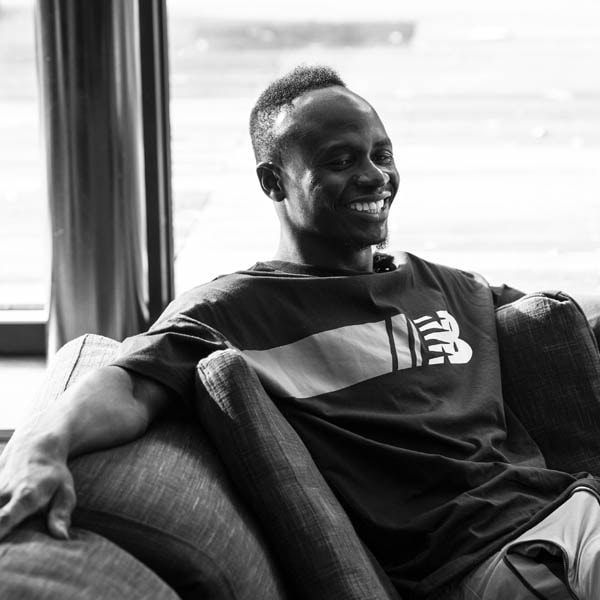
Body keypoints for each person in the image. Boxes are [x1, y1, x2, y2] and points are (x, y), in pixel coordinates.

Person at [0, 65, 598, 600]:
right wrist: (38, 449)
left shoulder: (445, 285)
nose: (374, 176)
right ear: (273, 181)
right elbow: (126, 386)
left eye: (381, 155)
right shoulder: (235, 311)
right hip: (501, 556)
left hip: (575, 507)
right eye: (341, 162)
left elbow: (571, 324)